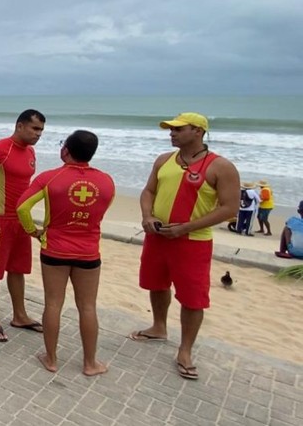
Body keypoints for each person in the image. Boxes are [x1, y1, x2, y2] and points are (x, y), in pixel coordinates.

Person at [131, 112, 239, 381]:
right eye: (171, 129)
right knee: (156, 283)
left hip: (192, 242)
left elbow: (229, 208)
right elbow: (149, 191)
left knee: (192, 297)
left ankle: (185, 350)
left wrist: (186, 227)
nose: (172, 133)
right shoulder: (164, 160)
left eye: (179, 129)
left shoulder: (221, 167)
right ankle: (158, 326)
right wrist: (147, 216)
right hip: (157, 236)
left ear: (198, 131)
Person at [16, 130, 115, 375]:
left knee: (53, 304)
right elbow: (99, 214)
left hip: (55, 250)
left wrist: (34, 232)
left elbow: (22, 207)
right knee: (88, 307)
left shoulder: (50, 177)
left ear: (65, 151)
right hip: (89, 252)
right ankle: (90, 363)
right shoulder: (107, 182)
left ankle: (51, 360)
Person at [0, 109, 46, 343]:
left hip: (20, 220)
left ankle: (20, 315)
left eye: (41, 130)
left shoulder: (31, 152)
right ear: (20, 126)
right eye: (35, 128)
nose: (39, 134)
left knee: (18, 268)